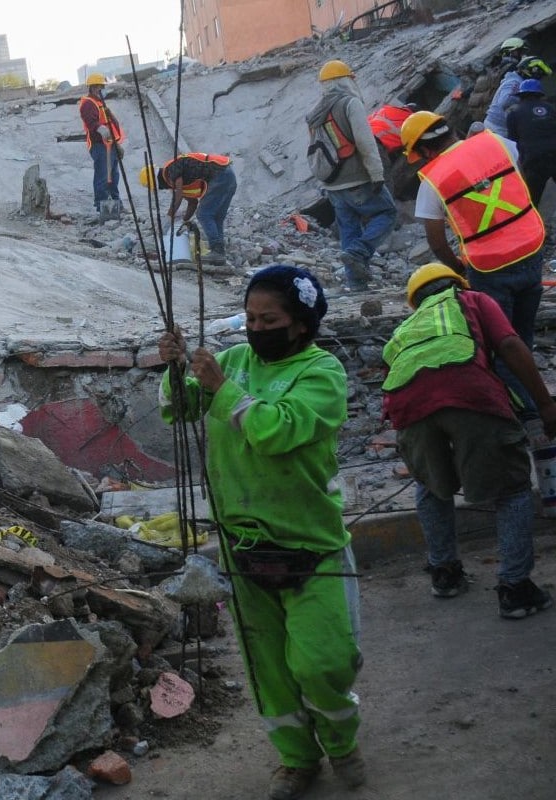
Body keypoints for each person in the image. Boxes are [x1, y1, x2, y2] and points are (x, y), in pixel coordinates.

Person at [158, 265, 363, 800]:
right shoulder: (234, 362)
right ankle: (296, 760)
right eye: (249, 317)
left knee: (322, 662)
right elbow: (178, 410)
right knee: (268, 669)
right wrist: (175, 369)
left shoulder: (323, 373)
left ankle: (341, 743)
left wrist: (221, 389)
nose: (254, 328)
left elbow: (276, 430)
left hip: (310, 545)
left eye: (267, 319)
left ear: (299, 324)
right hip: (241, 546)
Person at [381, 263, 556, 618]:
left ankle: (444, 573)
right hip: (469, 394)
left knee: (432, 486)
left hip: (410, 410)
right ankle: (515, 588)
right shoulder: (472, 299)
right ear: (454, 284)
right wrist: (545, 404)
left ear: (415, 301)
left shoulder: (404, 328)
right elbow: (509, 344)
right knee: (511, 490)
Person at [400, 110, 546, 423]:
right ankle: (534, 393)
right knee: (522, 335)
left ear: (425, 150)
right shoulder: (497, 144)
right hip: (531, 249)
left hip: (489, 268)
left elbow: (437, 241)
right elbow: (522, 174)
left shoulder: (433, 180)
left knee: (502, 345)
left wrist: (458, 269)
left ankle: (529, 416)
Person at [306, 61, 397, 291]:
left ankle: (356, 284)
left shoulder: (317, 110)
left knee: (349, 228)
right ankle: (359, 252)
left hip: (332, 184)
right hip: (357, 179)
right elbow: (365, 142)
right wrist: (377, 174)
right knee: (387, 212)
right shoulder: (350, 103)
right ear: (346, 80)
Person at [140, 153, 237, 265]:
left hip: (220, 175)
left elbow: (179, 196)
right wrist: (184, 221)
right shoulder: (177, 180)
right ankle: (219, 255)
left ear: (156, 180)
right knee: (216, 217)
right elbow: (192, 202)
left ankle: (217, 251)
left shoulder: (171, 170)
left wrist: (168, 218)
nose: (160, 189)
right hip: (228, 175)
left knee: (204, 214)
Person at [78, 73, 125, 214]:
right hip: (100, 146)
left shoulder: (100, 103)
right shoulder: (88, 103)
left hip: (110, 145)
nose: (102, 89)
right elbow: (92, 123)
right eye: (100, 86)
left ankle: (116, 205)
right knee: (103, 177)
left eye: (103, 86)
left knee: (113, 177)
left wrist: (117, 144)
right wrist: (101, 130)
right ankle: (102, 206)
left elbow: (110, 125)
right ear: (93, 88)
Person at [506, 79, 556, 205]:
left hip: (533, 159)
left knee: (532, 199)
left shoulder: (514, 113)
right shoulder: (550, 108)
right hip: (554, 153)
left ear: (521, 95)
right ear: (539, 94)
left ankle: (536, 223)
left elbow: (513, 140)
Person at [485, 55, 551, 138]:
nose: (539, 79)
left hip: (498, 125)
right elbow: (505, 101)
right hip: (498, 127)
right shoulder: (515, 82)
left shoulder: (515, 80)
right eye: (539, 76)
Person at [367, 101, 420, 202]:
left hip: (359, 140)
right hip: (376, 146)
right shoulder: (410, 121)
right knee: (386, 184)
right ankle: (384, 209)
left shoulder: (386, 109)